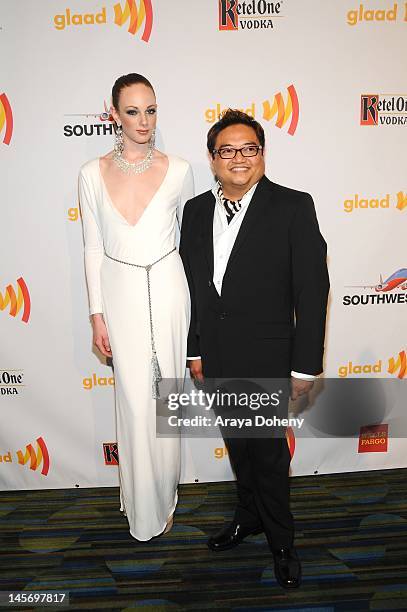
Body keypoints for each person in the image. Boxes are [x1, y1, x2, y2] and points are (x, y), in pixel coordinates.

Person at [180, 109, 329, 588]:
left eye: (248, 149)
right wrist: (194, 350)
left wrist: (305, 367)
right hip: (217, 356)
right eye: (227, 150)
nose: (238, 158)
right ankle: (249, 518)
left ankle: (282, 542)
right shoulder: (197, 210)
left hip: (269, 357)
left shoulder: (293, 206)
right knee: (238, 448)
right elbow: (192, 289)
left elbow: (312, 289)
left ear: (262, 154)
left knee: (268, 457)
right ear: (213, 158)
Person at [79, 73, 194, 541]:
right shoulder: (90, 173)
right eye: (132, 111)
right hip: (119, 290)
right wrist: (96, 314)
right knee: (131, 402)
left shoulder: (181, 169)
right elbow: (91, 249)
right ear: (114, 114)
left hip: (168, 287)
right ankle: (139, 502)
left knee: (167, 398)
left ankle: (165, 494)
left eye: (150, 110)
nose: (143, 120)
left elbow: (192, 240)